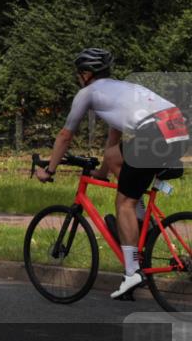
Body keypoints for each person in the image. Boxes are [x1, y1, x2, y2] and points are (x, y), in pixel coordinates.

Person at [35, 48, 188, 298]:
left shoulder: (88, 93)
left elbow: (65, 135)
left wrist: (49, 169)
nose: (78, 78)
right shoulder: (120, 88)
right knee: (116, 159)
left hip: (153, 134)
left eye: (78, 73)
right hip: (177, 128)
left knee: (123, 203)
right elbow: (114, 142)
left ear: (86, 74)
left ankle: (132, 272)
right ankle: (143, 225)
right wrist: (101, 173)